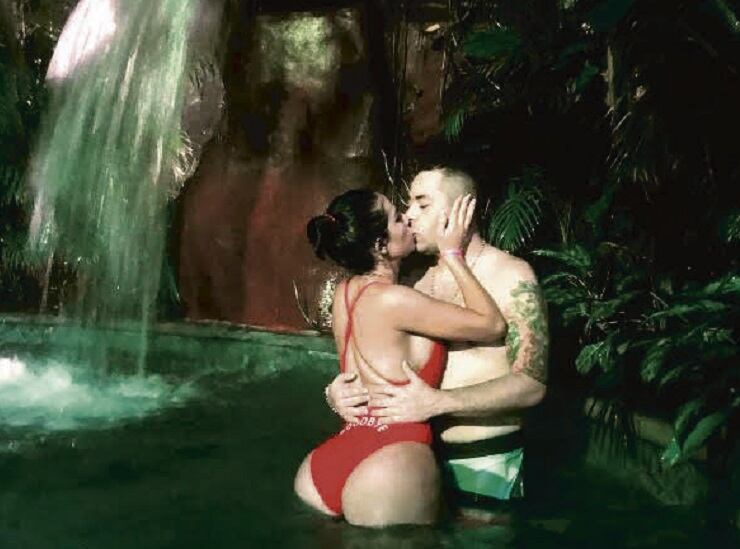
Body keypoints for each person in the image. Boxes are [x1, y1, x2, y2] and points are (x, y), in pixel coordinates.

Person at [326, 168, 548, 519]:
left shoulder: (510, 275)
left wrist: (438, 403)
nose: (409, 215)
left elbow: (532, 385)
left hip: (480, 458)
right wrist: (338, 391)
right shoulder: (416, 282)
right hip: (409, 458)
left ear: (462, 211)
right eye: (407, 205)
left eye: (422, 204)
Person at [293, 189, 507, 527]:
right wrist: (452, 254)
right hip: (391, 461)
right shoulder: (395, 300)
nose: (407, 219)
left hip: (329, 462)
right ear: (381, 245)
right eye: (396, 218)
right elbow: (492, 325)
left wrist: (330, 393)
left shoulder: (344, 294)